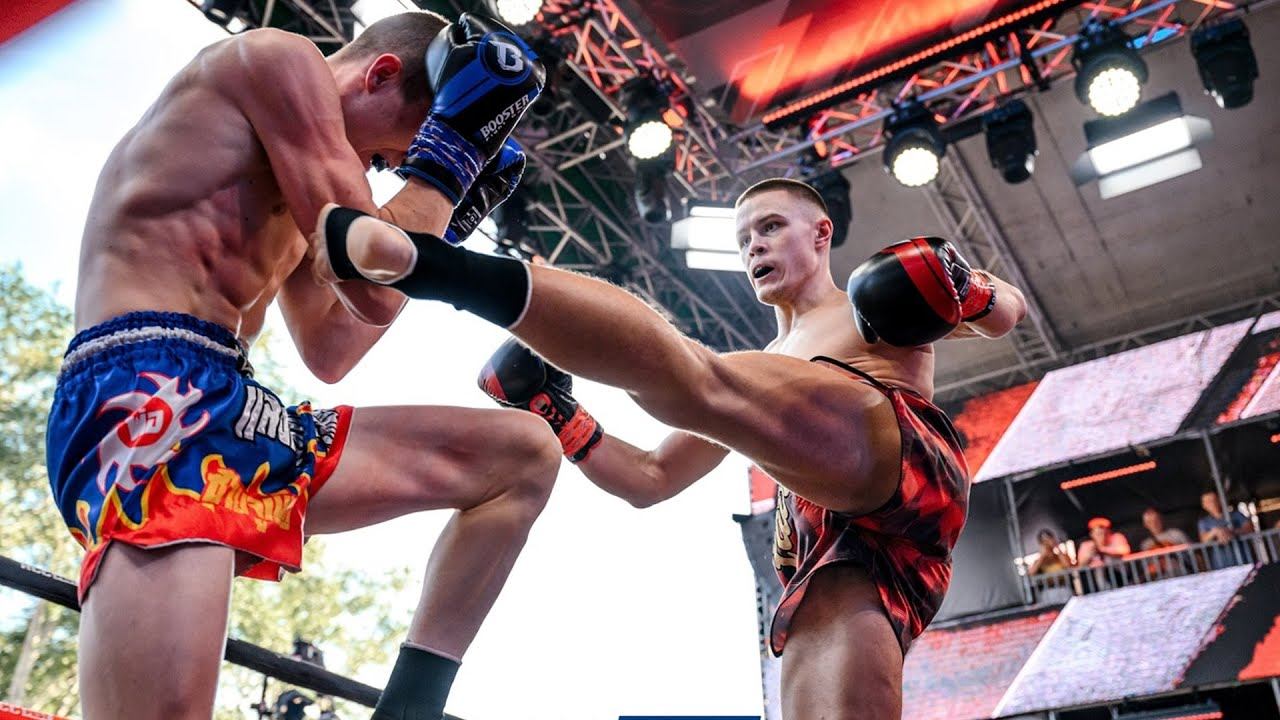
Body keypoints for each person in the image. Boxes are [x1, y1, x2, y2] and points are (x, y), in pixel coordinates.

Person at [314, 178, 1028, 718]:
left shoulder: (867, 309)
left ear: (821, 234)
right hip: (835, 549)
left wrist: (965, 288)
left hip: (901, 461)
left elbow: (1009, 312)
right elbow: (649, 478)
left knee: (701, 378)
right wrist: (557, 413)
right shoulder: (757, 383)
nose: (753, 247)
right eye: (743, 239)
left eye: (771, 227)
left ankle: (431, 266)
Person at [44, 12, 550, 720]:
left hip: (241, 406)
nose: (378, 172)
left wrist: (443, 213)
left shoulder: (309, 188)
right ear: (379, 76)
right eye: (388, 156)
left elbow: (335, 344)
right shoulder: (276, 59)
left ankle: (410, 711)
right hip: (146, 395)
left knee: (522, 454)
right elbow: (375, 285)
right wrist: (450, 162)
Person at [1198, 491, 1254, 569]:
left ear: (1220, 500)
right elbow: (1203, 540)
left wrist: (1231, 532)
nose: (1212, 503)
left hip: (1243, 559)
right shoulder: (1204, 522)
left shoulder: (1237, 514)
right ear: (1204, 505)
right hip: (1219, 564)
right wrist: (1215, 531)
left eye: (1214, 500)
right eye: (1208, 502)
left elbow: (1250, 528)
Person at [1027, 529, 1074, 604]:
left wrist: (1057, 547)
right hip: (1048, 591)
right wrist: (1042, 556)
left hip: (1064, 588)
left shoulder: (1061, 556)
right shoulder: (1039, 561)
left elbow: (1068, 566)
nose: (1047, 543)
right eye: (1044, 541)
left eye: (1049, 539)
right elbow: (1031, 572)